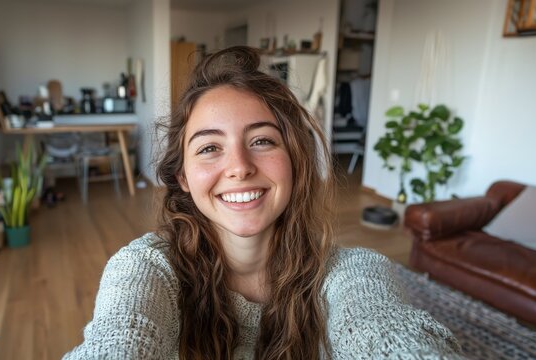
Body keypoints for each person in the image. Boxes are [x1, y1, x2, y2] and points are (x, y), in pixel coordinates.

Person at [64, 46, 461, 359]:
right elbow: (120, 339)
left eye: (262, 141)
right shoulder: (145, 270)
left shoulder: (352, 273)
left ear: (294, 161)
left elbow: (384, 331)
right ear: (183, 177)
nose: (239, 167)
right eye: (209, 148)